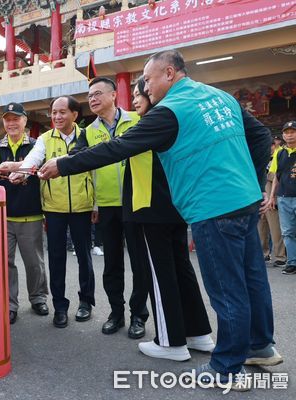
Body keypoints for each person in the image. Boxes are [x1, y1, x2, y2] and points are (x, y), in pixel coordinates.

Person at [39, 50, 281, 387]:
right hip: (242, 201)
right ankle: (260, 346)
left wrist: (62, 165)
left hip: (212, 206)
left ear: (170, 73)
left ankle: (226, 366)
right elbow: (260, 137)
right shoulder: (219, 96)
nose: (145, 88)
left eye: (148, 81)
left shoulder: (169, 111)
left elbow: (117, 148)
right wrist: (251, 182)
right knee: (252, 279)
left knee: (227, 289)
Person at [126, 77, 213, 361]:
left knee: (160, 274)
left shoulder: (151, 123)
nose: (137, 99)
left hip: (153, 211)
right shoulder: (173, 121)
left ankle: (170, 342)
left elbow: (113, 150)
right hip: (175, 208)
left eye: (140, 93)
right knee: (181, 271)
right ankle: (198, 334)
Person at [10, 95, 95, 329]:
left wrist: (95, 204)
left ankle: (86, 302)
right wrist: (22, 172)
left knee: (84, 257)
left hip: (82, 206)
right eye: (53, 112)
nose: (56, 117)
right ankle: (60, 307)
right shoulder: (46, 139)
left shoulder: (86, 135)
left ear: (75, 115)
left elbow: (94, 171)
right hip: (54, 207)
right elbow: (33, 159)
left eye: (62, 112)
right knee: (56, 258)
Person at [74, 77, 149, 339]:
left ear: (114, 94)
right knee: (112, 263)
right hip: (106, 205)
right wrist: (94, 202)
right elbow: (78, 161)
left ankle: (138, 315)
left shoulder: (137, 120)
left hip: (137, 202)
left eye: (97, 93)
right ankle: (116, 313)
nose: (92, 99)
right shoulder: (88, 131)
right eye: (89, 95)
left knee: (140, 263)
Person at [0, 102, 49, 324]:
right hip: (2, 216)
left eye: (16, 119)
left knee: (34, 262)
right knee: (6, 263)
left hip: (30, 214)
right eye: (7, 119)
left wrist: (15, 166)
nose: (11, 123)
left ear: (25, 121)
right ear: (3, 122)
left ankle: (38, 297)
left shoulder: (36, 145)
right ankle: (10, 304)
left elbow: (38, 167)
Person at [268, 120, 296, 275]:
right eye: (286, 132)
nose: (289, 135)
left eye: (292, 132)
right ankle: (292, 263)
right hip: (283, 197)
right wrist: (272, 197)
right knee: (287, 232)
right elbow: (276, 178)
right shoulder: (279, 153)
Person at [258, 135, 286, 268]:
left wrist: (273, 197)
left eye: (271, 145)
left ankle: (280, 256)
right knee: (261, 226)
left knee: (275, 227)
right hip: (259, 195)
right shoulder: (260, 156)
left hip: (271, 194)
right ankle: (264, 254)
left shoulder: (279, 155)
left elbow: (276, 177)